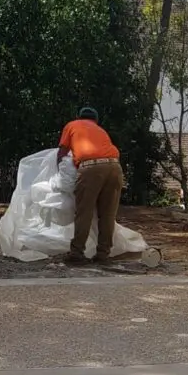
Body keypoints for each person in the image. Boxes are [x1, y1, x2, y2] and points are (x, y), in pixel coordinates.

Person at [57, 107, 124, 263]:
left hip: (91, 168)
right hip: (115, 167)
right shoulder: (101, 130)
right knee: (107, 215)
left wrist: (59, 173)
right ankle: (103, 254)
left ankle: (77, 253)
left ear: (78, 117)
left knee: (84, 211)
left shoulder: (72, 125)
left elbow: (62, 152)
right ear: (96, 120)